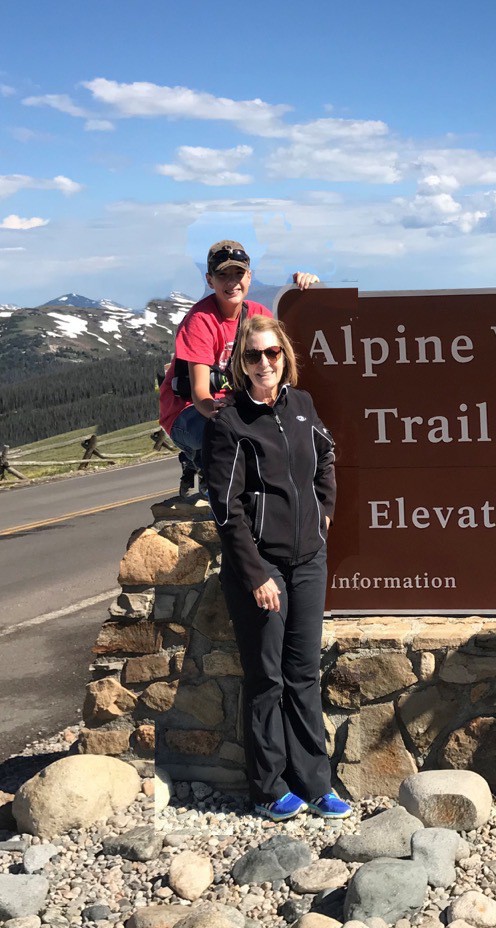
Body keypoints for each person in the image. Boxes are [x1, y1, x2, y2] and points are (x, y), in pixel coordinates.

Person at [203, 314, 348, 821]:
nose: (264, 363)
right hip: (262, 568)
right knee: (267, 678)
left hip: (309, 560)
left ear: (285, 356)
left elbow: (327, 457)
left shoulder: (302, 406)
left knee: (304, 674)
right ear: (240, 365)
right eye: (253, 355)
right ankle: (267, 788)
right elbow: (227, 508)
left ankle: (316, 782)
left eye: (272, 353)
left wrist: (325, 511)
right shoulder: (229, 424)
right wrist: (255, 573)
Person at [158, 240, 319, 497]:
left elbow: (282, 354)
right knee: (228, 442)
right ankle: (210, 479)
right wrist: (223, 420)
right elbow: (200, 393)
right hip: (188, 413)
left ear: (249, 276)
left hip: (235, 404)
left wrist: (308, 291)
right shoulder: (200, 321)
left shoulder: (259, 314)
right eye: (223, 275)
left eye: (238, 273)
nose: (232, 282)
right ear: (210, 280)